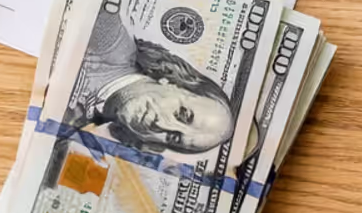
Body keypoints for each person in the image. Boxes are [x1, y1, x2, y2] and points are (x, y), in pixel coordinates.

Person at [65, 10, 237, 154]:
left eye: (174, 138)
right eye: (182, 114)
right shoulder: (112, 45)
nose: (163, 125)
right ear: (173, 81)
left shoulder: (80, 128)